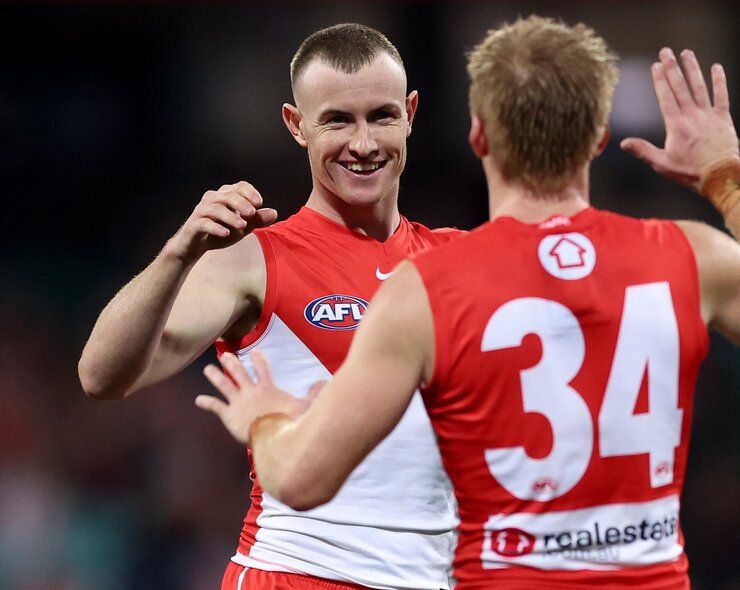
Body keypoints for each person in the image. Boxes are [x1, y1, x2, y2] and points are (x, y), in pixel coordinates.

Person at [196, 16, 740, 590]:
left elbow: (303, 480)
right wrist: (723, 174)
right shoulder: (684, 255)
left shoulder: (428, 288)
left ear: (478, 134)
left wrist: (266, 419)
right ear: (598, 137)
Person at [78, 24, 460, 590]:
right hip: (299, 574)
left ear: (410, 113)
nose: (363, 143)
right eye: (336, 119)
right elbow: (101, 376)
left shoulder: (456, 258)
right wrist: (177, 255)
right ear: (296, 125)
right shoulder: (254, 259)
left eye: (380, 115)